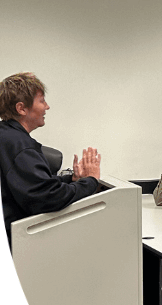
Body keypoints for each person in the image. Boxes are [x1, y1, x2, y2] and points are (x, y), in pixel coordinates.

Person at [0, 72, 101, 244]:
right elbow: (47, 198)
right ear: (21, 108)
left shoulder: (7, 136)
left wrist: (72, 179)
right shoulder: (21, 147)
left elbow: (30, 184)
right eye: (42, 101)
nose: (47, 107)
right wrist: (91, 181)